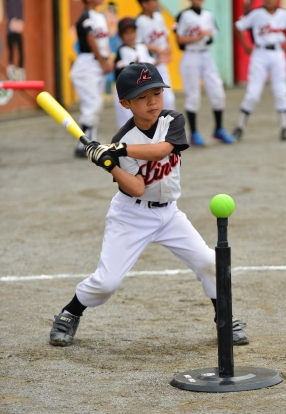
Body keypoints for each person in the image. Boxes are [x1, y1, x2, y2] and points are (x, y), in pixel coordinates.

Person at [49, 62, 249, 348]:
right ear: (125, 103)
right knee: (106, 283)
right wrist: (109, 165)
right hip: (131, 215)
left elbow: (161, 150)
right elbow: (137, 187)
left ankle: (225, 319)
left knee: (209, 263)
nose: (152, 101)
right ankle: (71, 312)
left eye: (156, 92)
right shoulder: (123, 138)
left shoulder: (172, 121)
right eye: (142, 97)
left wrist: (118, 151)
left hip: (169, 214)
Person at [232, 0, 286, 142]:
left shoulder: (284, 15)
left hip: (277, 53)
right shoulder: (256, 14)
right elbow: (238, 26)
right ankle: (239, 127)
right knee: (253, 93)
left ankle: (285, 128)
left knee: (281, 91)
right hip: (260, 53)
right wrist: (245, 45)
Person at [175, 0, 234, 146]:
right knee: (193, 95)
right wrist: (197, 37)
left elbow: (210, 38)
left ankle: (219, 129)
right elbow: (179, 40)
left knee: (218, 91)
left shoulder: (208, 15)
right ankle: (194, 133)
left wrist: (204, 38)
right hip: (190, 55)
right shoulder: (184, 15)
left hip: (205, 55)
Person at [70, 0, 114, 157]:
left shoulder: (100, 16)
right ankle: (83, 145)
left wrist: (109, 58)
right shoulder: (85, 17)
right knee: (92, 104)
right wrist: (102, 60)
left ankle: (90, 144)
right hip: (87, 64)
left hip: (97, 63)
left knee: (97, 104)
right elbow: (91, 39)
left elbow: (104, 42)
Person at [113, 16, 169, 127]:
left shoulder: (142, 46)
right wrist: (133, 64)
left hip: (142, 87)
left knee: (143, 114)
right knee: (126, 117)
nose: (131, 36)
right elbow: (119, 68)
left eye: (133, 32)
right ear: (120, 36)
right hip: (126, 89)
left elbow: (149, 62)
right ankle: (125, 141)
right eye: (127, 33)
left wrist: (158, 60)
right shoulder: (121, 50)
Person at [135, 0, 175, 111]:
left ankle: (167, 129)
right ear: (144, 3)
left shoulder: (159, 16)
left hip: (161, 64)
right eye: (153, 0)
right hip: (148, 66)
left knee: (169, 100)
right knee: (152, 101)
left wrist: (169, 47)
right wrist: (155, 48)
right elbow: (137, 44)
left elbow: (166, 35)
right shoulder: (139, 21)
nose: (157, 2)